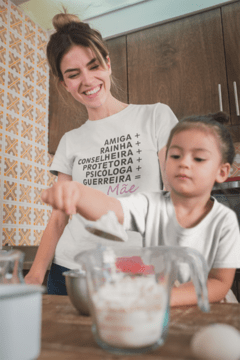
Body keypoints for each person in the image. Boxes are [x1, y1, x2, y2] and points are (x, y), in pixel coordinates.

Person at [24, 11, 178, 293]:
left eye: (94, 66)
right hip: (72, 269)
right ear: (64, 84)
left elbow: (174, 197)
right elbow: (59, 217)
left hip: (138, 267)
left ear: (108, 64)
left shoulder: (156, 117)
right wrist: (35, 275)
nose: (87, 80)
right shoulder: (70, 140)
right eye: (73, 74)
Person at [41, 112, 240, 305]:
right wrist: (76, 192)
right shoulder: (150, 205)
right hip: (156, 304)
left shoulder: (224, 222)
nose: (184, 164)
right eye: (176, 155)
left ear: (221, 172)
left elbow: (220, 282)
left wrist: (167, 297)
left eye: (199, 158)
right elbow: (110, 207)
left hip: (205, 307)